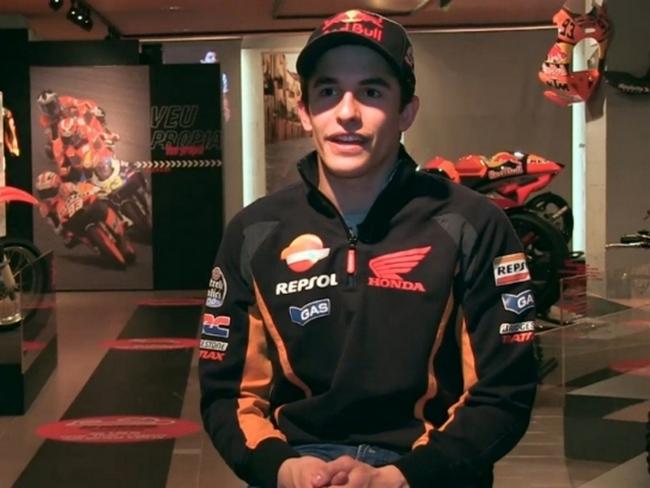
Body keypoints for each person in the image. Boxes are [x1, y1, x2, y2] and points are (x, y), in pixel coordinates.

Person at [199, 9, 538, 488]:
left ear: (406, 112)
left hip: (429, 469)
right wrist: (282, 468)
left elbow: (505, 391)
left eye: (372, 92)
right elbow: (226, 395)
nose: (347, 113)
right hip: (297, 463)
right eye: (328, 92)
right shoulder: (254, 231)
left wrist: (399, 477)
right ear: (304, 111)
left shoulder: (474, 223)